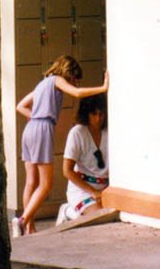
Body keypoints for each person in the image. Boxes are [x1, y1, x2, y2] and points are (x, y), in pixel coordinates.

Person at [15, 55, 108, 235]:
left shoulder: (42, 84)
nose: (75, 84)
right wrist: (103, 88)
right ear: (68, 72)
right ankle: (23, 221)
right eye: (74, 79)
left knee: (31, 182)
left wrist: (35, 117)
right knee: (45, 184)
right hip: (42, 128)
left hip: (29, 129)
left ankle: (29, 228)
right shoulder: (57, 80)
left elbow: (20, 106)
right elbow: (77, 94)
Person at [60, 93, 109, 224]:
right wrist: (93, 192)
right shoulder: (77, 133)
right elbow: (67, 171)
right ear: (86, 113)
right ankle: (68, 211)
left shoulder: (109, 132)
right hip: (83, 189)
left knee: (110, 216)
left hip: (106, 187)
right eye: (94, 114)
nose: (98, 119)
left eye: (101, 114)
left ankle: (75, 213)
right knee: (99, 217)